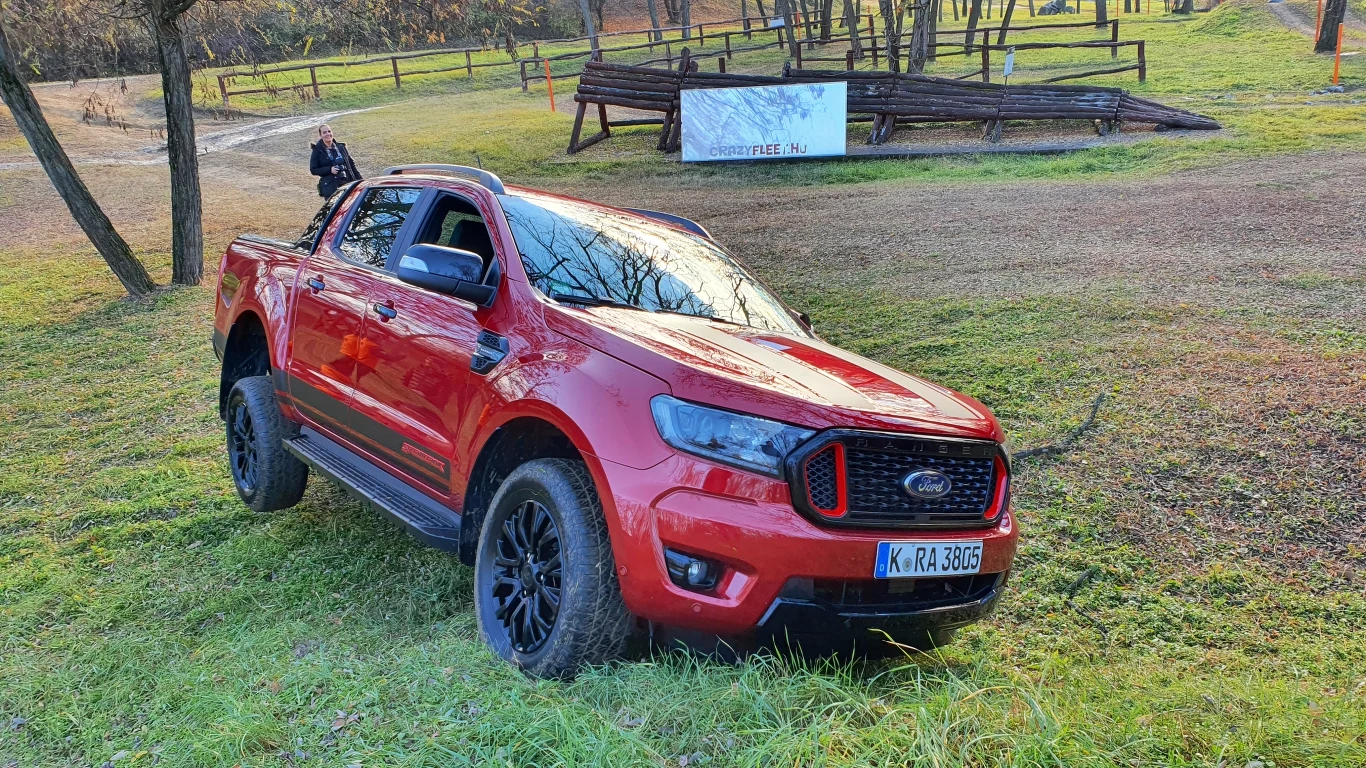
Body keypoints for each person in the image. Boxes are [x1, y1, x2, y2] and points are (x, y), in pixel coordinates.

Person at [310, 124, 362, 198]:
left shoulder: (341, 147)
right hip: (331, 188)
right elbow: (313, 170)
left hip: (348, 183)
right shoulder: (317, 150)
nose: (328, 134)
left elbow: (351, 165)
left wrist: (361, 181)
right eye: (324, 132)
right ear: (320, 135)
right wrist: (329, 169)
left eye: (329, 131)